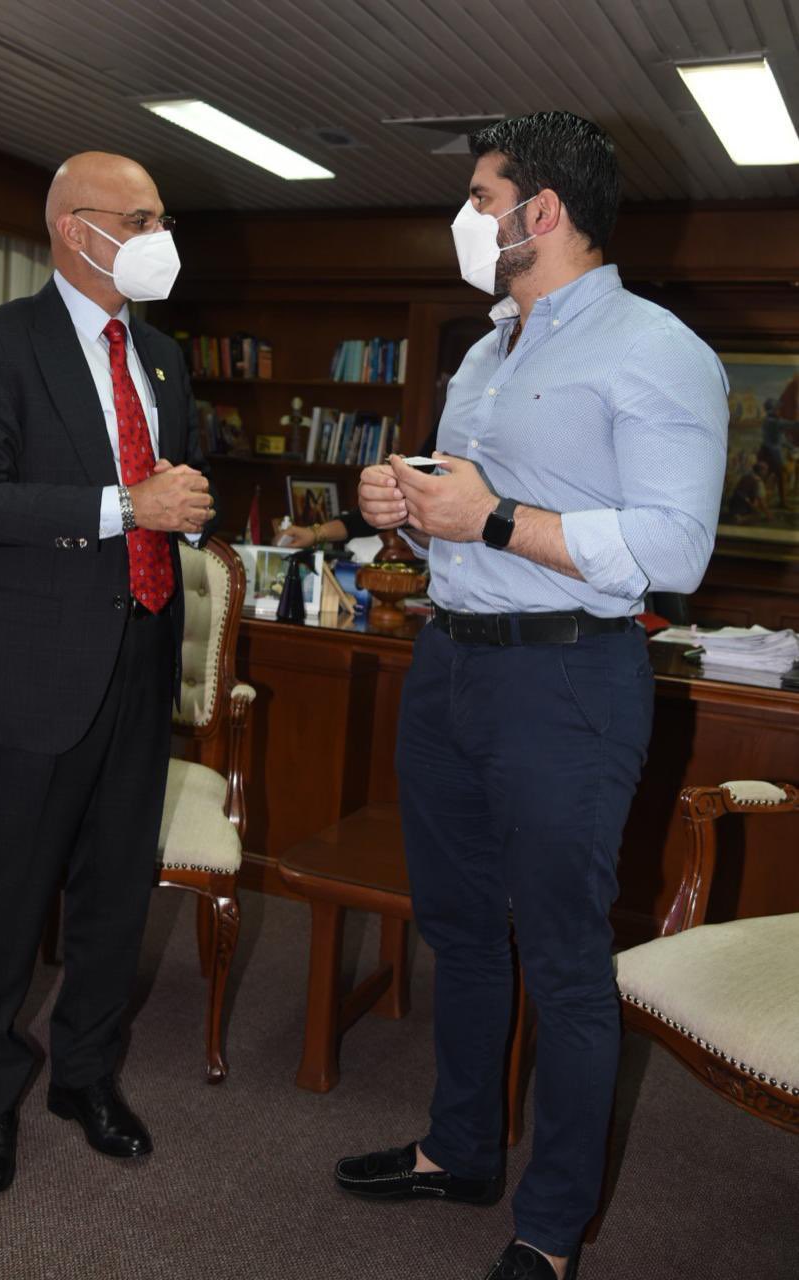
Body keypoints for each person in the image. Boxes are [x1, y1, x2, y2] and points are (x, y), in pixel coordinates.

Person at [337, 111, 728, 1280]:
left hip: (566, 678)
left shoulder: (657, 348)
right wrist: (406, 504)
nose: (465, 218)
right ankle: (459, 1147)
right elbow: (464, 504)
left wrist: (495, 517)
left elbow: (673, 549)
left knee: (562, 956)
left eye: (479, 198)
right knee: (458, 927)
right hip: (450, 662)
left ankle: (551, 1225)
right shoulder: (485, 349)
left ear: (540, 211)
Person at [0, 151, 215, 1195]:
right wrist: (125, 506)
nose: (157, 237)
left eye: (161, 218)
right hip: (36, 666)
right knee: (13, 893)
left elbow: (174, 489)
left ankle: (85, 1075)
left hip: (142, 654)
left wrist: (184, 506)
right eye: (139, 219)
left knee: (115, 889)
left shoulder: (164, 357)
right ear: (73, 227)